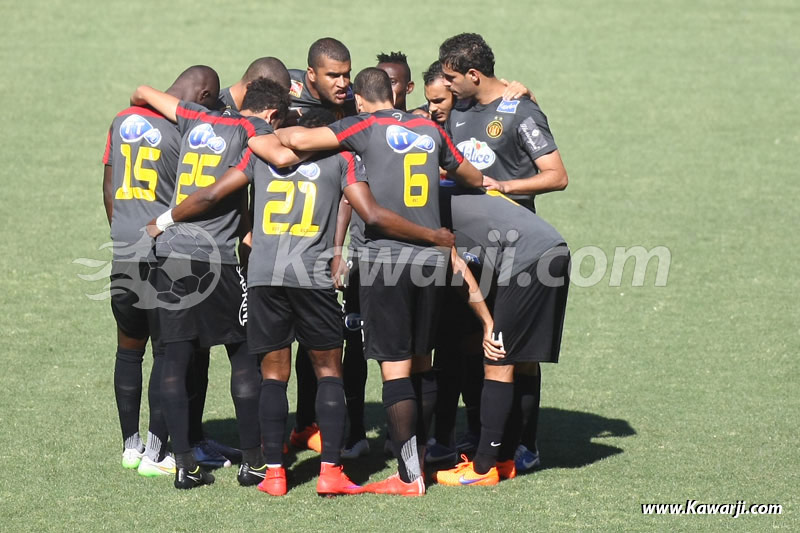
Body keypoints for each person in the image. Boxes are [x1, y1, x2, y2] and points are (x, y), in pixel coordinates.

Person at [275, 67, 503, 496]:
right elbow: (470, 175)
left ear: (361, 99)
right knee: (422, 362)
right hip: (433, 263)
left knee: (395, 369)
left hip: (387, 263)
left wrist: (270, 133)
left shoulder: (363, 124)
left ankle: (408, 475)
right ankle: (425, 456)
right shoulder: (429, 128)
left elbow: (301, 140)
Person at [131, 74, 288, 489]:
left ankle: (185, 465)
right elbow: (275, 158)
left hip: (169, 256)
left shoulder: (196, 116)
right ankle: (253, 462)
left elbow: (143, 92)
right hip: (214, 260)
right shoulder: (254, 129)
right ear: (272, 114)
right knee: (243, 356)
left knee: (174, 358)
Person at [438, 32, 568, 473]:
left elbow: (556, 175)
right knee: (475, 343)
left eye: (452, 77)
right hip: (471, 247)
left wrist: (505, 185)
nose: (447, 84)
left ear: (474, 74)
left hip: (517, 249)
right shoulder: (457, 110)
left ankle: (523, 445)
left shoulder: (520, 111)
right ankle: (484, 438)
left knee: (517, 352)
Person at [103, 65, 219, 477]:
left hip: (124, 248)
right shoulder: (185, 130)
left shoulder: (121, 120)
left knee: (128, 348)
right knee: (168, 353)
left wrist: (123, 234)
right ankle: (155, 453)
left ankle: (130, 447)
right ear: (203, 96)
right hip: (163, 254)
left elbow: (109, 187)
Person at [434, 183, 570, 486]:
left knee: (498, 356)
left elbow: (456, 268)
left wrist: (487, 321)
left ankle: (483, 468)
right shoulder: (452, 190)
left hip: (526, 259)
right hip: (553, 247)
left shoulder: (424, 206)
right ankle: (506, 459)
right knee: (522, 360)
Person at [288, 37, 356, 121]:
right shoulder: (284, 87)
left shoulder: (355, 98)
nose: (342, 84)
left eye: (346, 74)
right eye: (333, 76)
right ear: (312, 74)